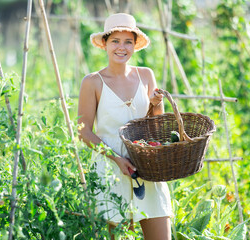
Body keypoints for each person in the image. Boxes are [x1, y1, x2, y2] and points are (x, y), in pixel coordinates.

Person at [77, 13, 173, 239]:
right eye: (115, 41)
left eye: (128, 41)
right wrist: (116, 159)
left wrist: (155, 105)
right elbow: (83, 131)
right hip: (110, 171)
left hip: (146, 168)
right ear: (105, 45)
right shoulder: (92, 82)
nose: (122, 47)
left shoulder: (146, 75)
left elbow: (155, 126)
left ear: (135, 46)